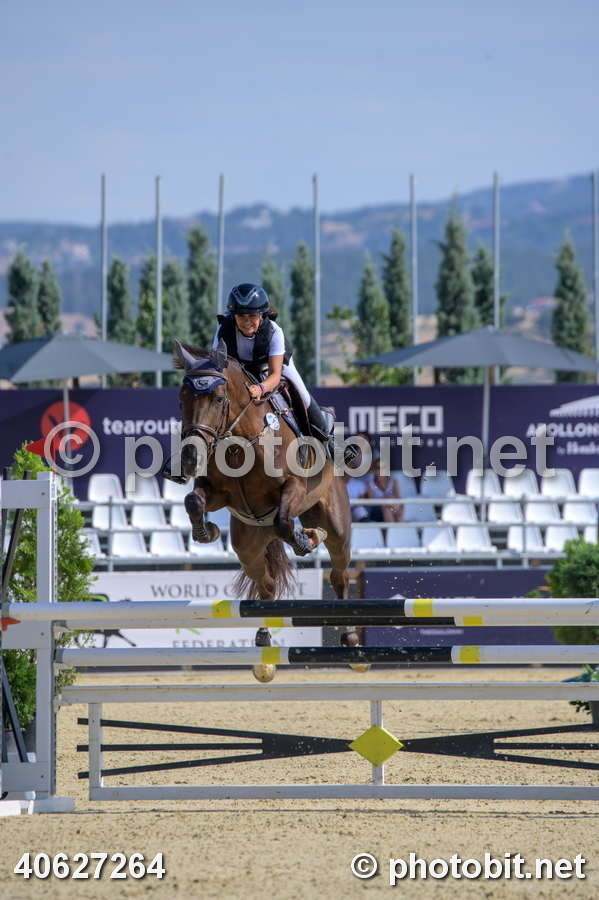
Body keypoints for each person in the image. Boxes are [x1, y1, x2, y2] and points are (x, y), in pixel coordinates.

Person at [213, 283, 359, 465]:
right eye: (241, 316)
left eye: (252, 316)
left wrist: (260, 388)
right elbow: (217, 368)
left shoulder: (274, 331)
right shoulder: (223, 330)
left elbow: (275, 375)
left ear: (262, 315)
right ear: (233, 316)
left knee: (303, 394)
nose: (247, 321)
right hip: (239, 368)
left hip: (272, 366)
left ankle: (328, 440)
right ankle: (195, 449)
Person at [364, 454, 403, 522]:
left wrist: (389, 500)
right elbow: (371, 503)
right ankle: (397, 526)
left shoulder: (393, 481)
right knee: (386, 507)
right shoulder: (370, 484)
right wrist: (385, 500)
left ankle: (394, 526)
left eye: (384, 467)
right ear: (374, 470)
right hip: (377, 512)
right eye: (379, 468)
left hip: (393, 509)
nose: (381, 470)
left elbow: (398, 498)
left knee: (392, 507)